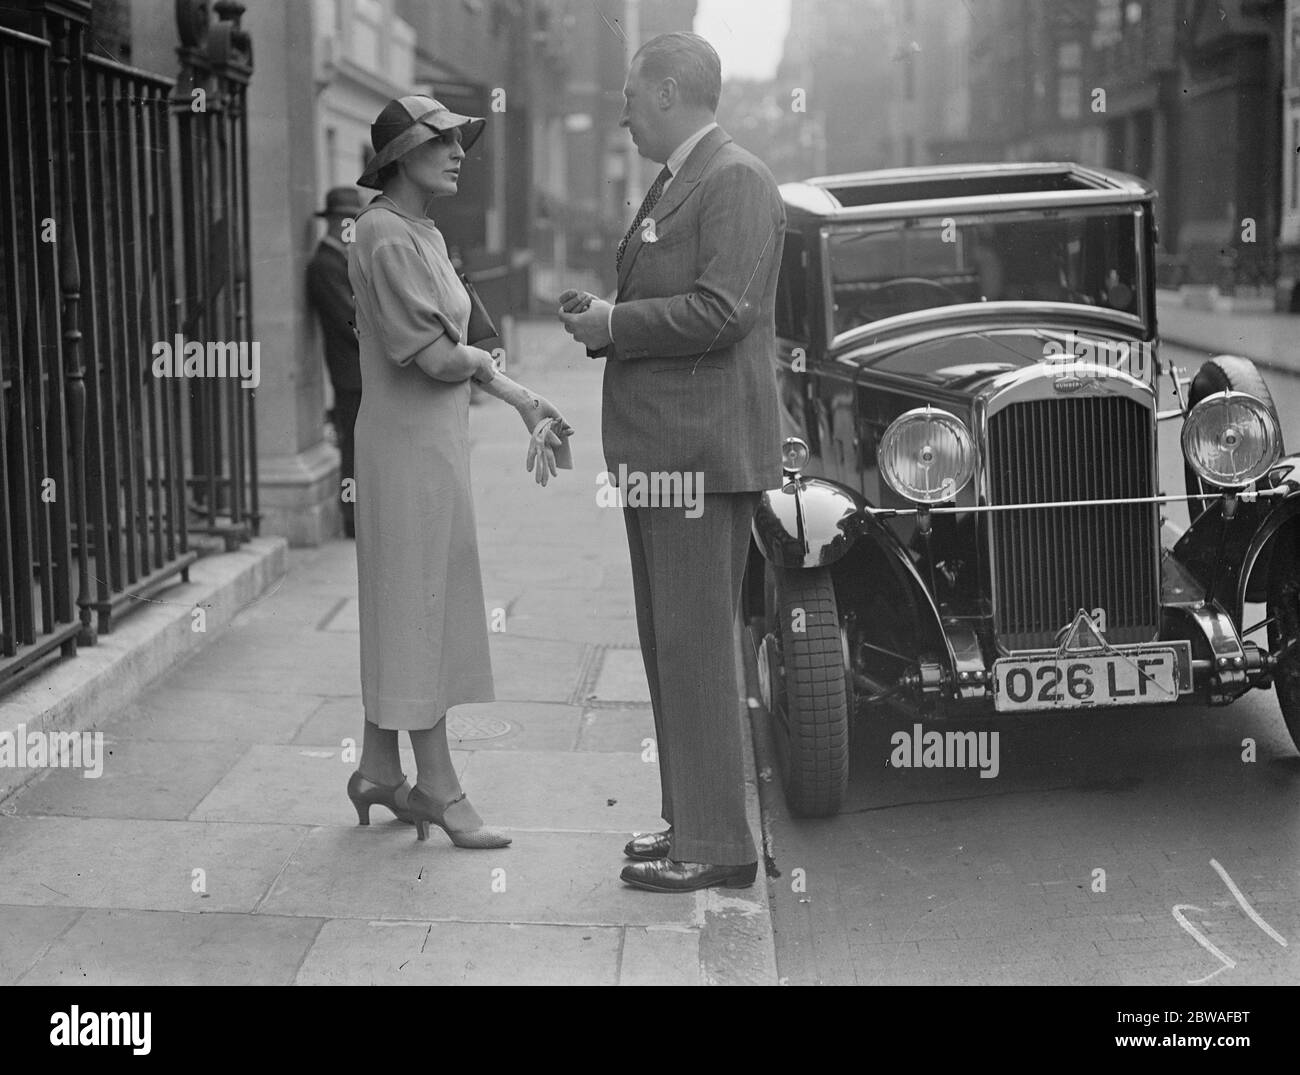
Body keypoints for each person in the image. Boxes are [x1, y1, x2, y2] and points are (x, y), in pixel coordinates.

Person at [559, 32, 785, 893]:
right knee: (672, 645)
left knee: (694, 646)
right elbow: (681, 299)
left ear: (666, 92)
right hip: (666, 452)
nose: (620, 111)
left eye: (628, 94)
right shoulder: (686, 177)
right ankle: (691, 819)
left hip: (698, 456)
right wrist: (608, 316)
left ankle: (718, 843)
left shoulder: (736, 179)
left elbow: (724, 310)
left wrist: (617, 324)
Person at [345, 95, 573, 847]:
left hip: (430, 448)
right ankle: (440, 787)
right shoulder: (384, 235)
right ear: (399, 157)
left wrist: (523, 400)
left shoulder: (421, 232)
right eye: (438, 140)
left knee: (416, 599)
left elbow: (464, 356)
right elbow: (443, 357)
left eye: (456, 140)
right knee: (419, 609)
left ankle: (379, 768)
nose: (457, 152)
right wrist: (482, 363)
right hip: (405, 450)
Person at [306, 186, 364, 537]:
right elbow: (351, 318)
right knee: (353, 450)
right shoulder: (325, 264)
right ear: (332, 222)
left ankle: (359, 516)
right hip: (350, 373)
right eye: (347, 221)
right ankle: (352, 520)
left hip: (357, 372)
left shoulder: (340, 259)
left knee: (361, 449)